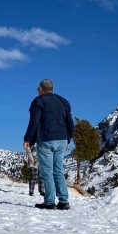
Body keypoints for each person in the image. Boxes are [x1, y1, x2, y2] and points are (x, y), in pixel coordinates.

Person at [23, 79, 75, 210]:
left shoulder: (38, 101)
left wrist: (28, 139)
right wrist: (67, 140)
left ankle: (49, 201)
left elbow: (34, 122)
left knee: (47, 171)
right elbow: (70, 123)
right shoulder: (64, 101)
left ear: (41, 89)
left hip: (46, 139)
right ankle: (64, 201)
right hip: (62, 140)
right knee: (58, 170)